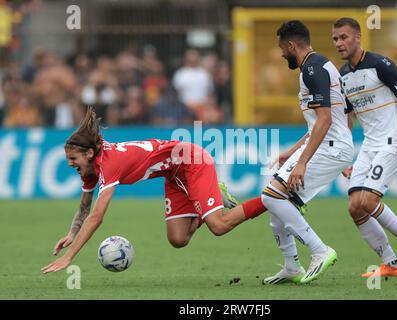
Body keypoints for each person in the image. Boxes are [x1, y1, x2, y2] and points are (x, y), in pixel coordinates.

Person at [41, 107, 266, 273]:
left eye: (73, 158)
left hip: (192, 160)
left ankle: (270, 198)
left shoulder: (109, 164)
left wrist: (69, 258)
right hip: (173, 173)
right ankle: (210, 197)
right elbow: (84, 207)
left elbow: (96, 217)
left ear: (89, 153)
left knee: (219, 225)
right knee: (178, 239)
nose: (70, 163)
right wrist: (71, 234)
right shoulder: (90, 169)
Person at [260, 20, 354, 285]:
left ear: (291, 45)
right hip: (330, 144)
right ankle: (292, 266)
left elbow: (325, 120)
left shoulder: (312, 69)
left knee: (272, 196)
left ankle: (319, 250)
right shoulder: (320, 65)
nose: (281, 54)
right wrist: (292, 152)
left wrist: (301, 163)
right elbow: (332, 118)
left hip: (330, 146)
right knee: (277, 203)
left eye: (282, 48)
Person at [332, 17, 397, 277]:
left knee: (368, 200)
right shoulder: (342, 76)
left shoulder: (380, 64)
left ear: (358, 37)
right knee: (354, 206)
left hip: (393, 141)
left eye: (344, 37)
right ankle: (391, 264)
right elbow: (347, 118)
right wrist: (344, 156)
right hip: (369, 146)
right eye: (335, 39)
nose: (339, 43)